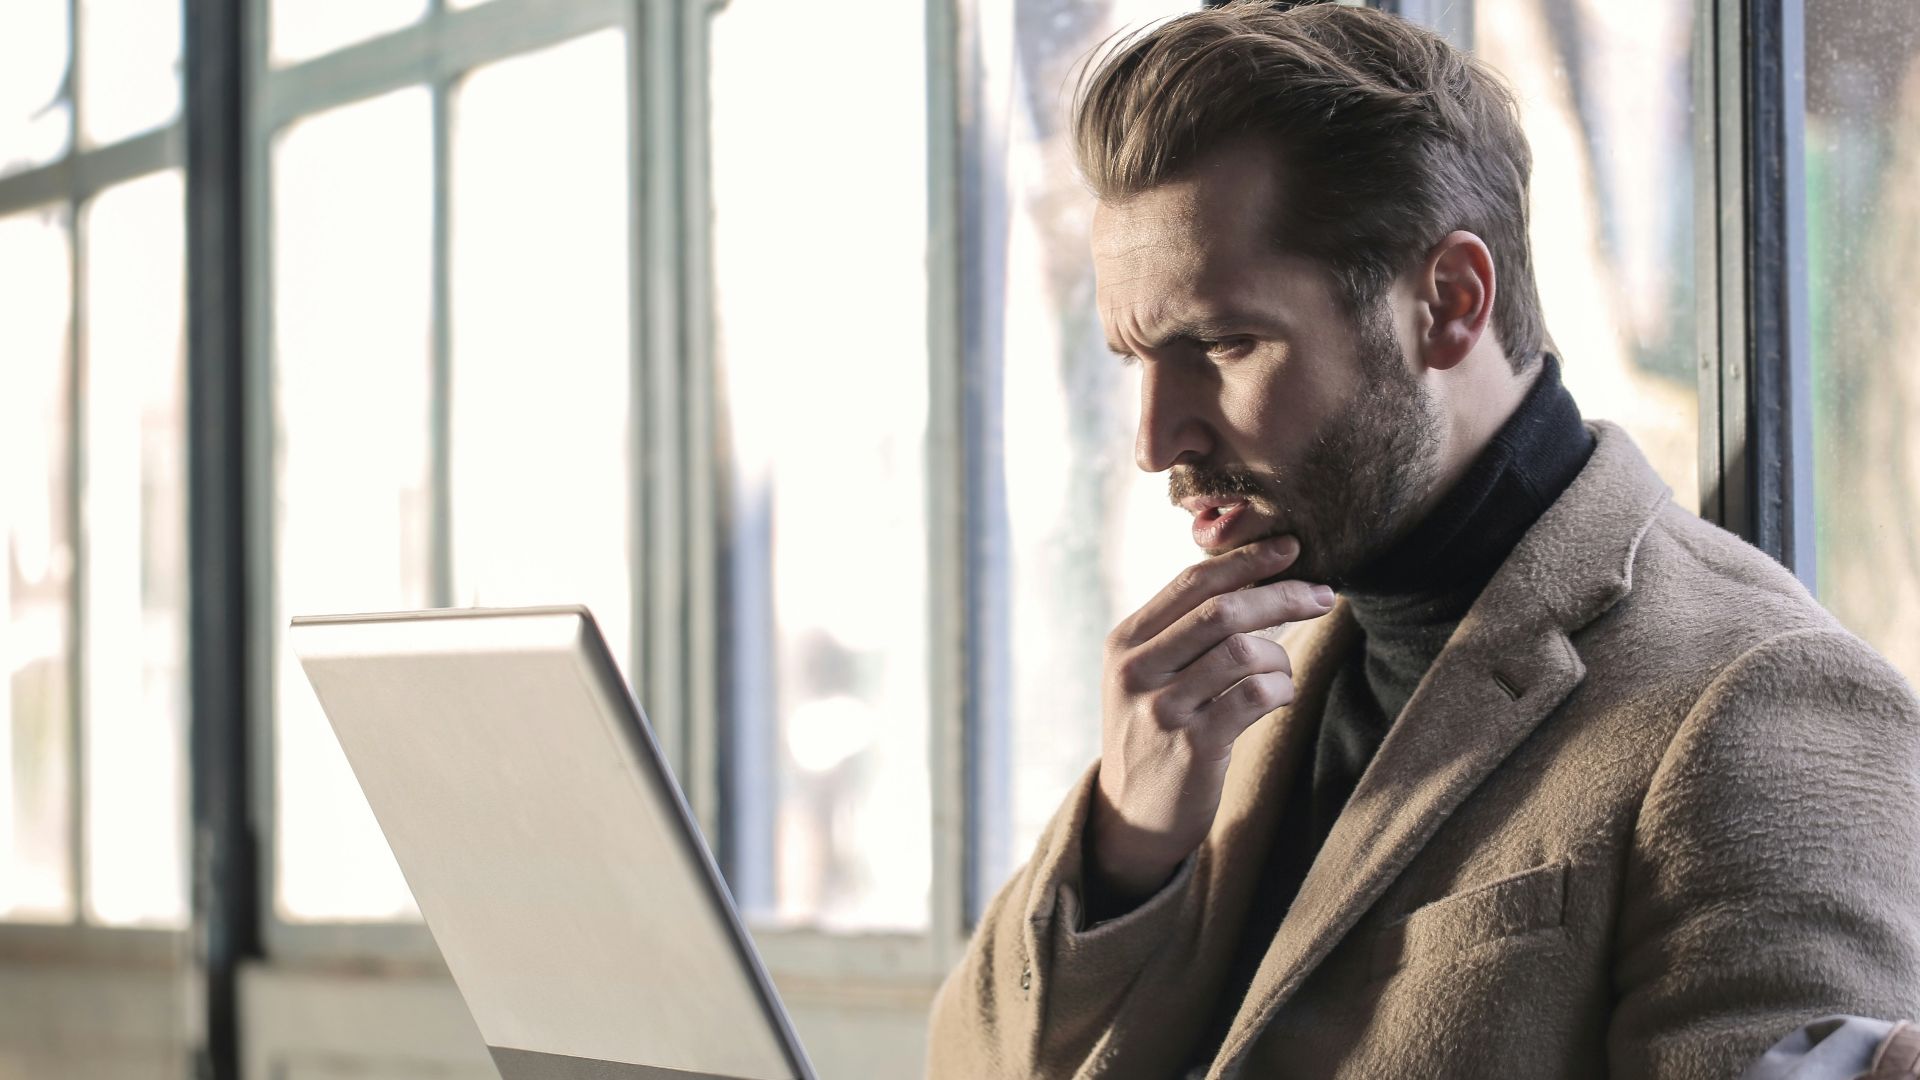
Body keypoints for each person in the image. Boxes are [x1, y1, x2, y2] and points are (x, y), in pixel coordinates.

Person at [924, 3, 1920, 1077]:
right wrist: (1127, 848)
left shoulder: (1764, 701)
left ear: (1449, 302)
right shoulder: (1239, 678)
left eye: (1223, 342)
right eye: (1138, 360)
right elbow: (963, 1063)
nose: (1156, 439)